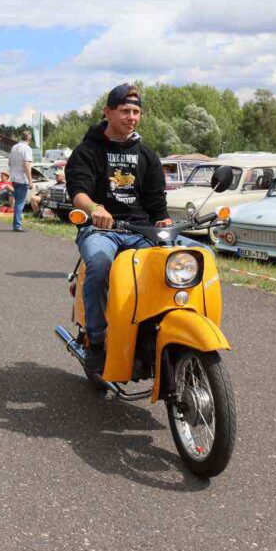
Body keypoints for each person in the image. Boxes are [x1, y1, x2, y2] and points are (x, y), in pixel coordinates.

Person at [64, 84, 172, 373]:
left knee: (187, 258)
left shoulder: (146, 154)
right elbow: (78, 192)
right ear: (108, 112)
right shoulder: (88, 150)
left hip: (140, 231)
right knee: (100, 263)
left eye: (136, 111)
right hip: (100, 230)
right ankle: (97, 341)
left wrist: (164, 221)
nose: (131, 117)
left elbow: (156, 199)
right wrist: (95, 210)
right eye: (125, 111)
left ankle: (162, 330)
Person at [8, 130, 34, 232]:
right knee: (20, 203)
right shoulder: (27, 148)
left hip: (14, 178)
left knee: (17, 202)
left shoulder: (14, 147)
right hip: (22, 179)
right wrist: (30, 180)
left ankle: (15, 224)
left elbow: (9, 163)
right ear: (30, 138)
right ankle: (17, 225)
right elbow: (27, 165)